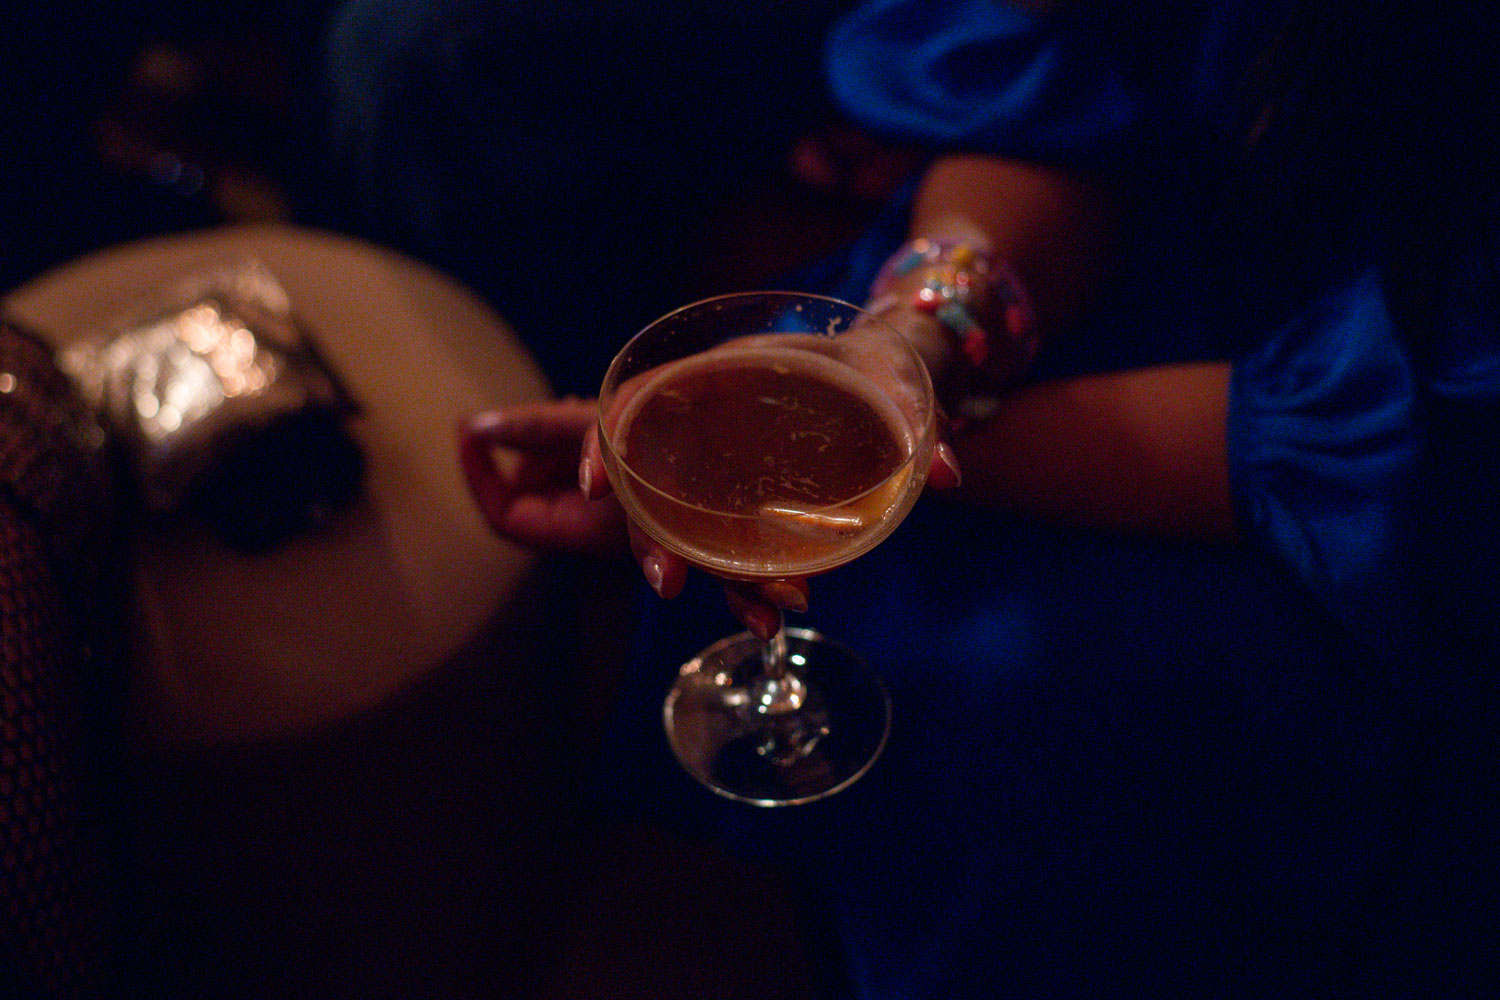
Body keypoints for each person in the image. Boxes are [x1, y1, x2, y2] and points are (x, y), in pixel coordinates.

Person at [334, 0, 1500, 995]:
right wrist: (912, 341)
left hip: (1383, 492)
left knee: (1010, 699)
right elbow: (1061, 84)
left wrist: (857, 456)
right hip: (1144, 249)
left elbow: (1423, 453)